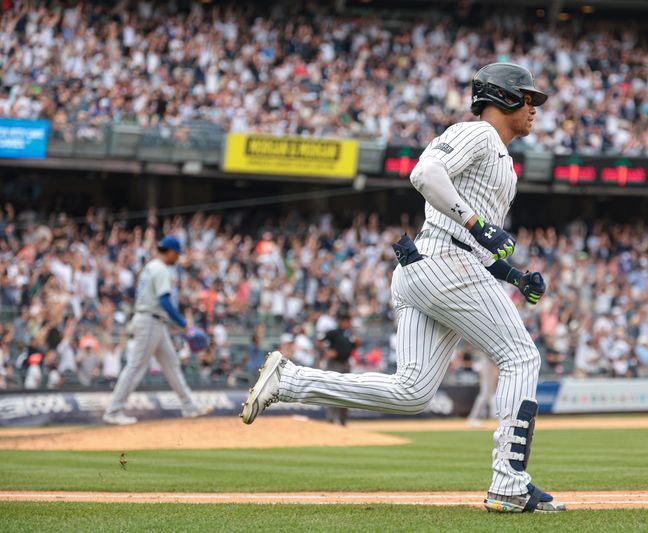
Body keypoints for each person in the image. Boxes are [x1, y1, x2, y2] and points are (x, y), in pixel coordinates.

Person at [239, 63, 563, 513]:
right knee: (521, 356)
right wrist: (479, 225)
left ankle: (291, 381)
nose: (534, 108)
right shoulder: (480, 134)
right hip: (445, 262)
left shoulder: (501, 155)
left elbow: (476, 240)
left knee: (412, 391)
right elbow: (424, 174)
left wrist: (513, 275)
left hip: (431, 264)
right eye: (528, 98)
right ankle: (509, 484)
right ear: (504, 98)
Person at [102, 236, 213, 425]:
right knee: (135, 366)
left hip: (154, 322)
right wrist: (183, 324)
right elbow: (164, 300)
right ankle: (113, 411)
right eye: (176, 253)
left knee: (171, 364)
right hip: (149, 321)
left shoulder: (151, 266)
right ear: (169, 251)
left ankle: (189, 406)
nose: (177, 257)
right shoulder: (161, 269)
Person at [319, 308, 360, 426]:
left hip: (345, 364)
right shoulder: (333, 332)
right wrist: (328, 351)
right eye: (345, 320)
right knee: (333, 391)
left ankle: (343, 420)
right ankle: (331, 419)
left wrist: (357, 344)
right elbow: (319, 341)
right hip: (334, 364)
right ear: (340, 321)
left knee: (346, 393)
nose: (347, 323)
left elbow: (352, 347)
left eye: (348, 320)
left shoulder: (349, 333)